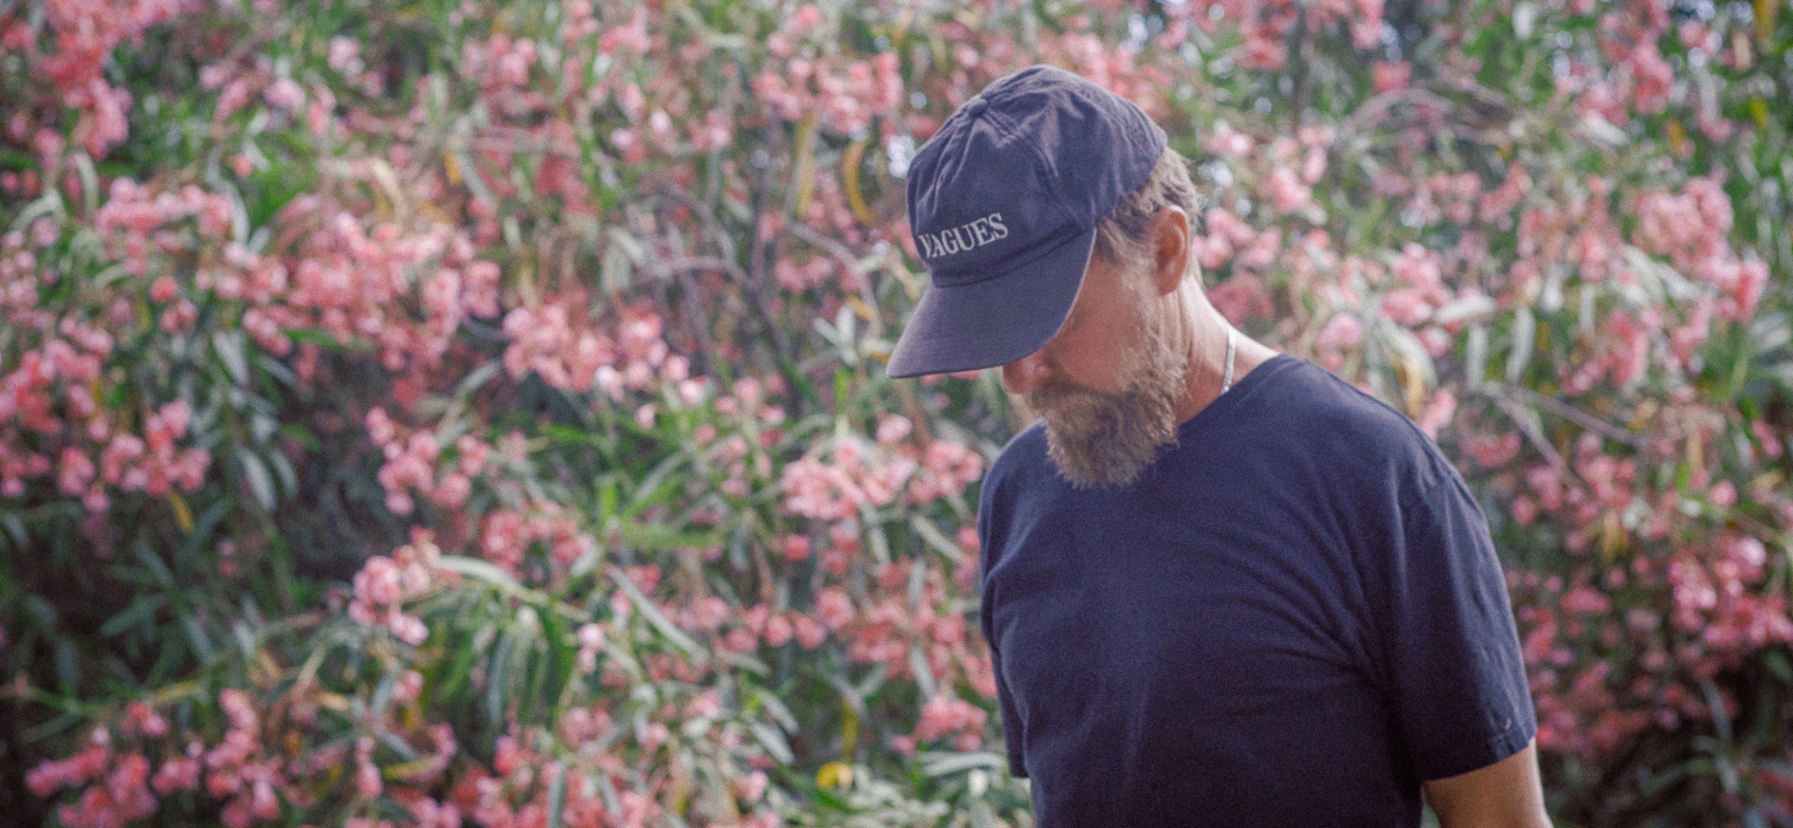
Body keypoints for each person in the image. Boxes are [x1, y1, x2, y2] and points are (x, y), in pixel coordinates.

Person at [886, 65, 1549, 827]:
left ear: (1165, 250)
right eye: (991, 333)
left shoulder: (1369, 473)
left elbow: (1501, 819)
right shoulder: (1016, 493)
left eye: (1047, 321)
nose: (1018, 376)